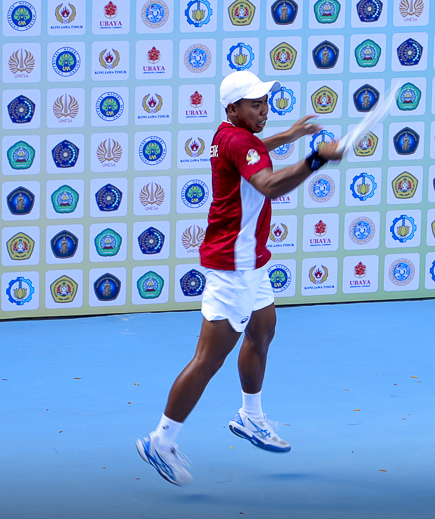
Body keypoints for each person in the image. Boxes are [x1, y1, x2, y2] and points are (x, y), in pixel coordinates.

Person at [137, 71, 343, 486]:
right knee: (208, 359)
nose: (264, 110)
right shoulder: (238, 141)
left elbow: (254, 149)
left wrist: (289, 135)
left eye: (265, 102)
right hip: (233, 266)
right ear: (233, 108)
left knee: (263, 328)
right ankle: (160, 440)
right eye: (255, 104)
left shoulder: (230, 135)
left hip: (252, 260)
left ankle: (250, 416)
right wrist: (315, 159)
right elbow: (268, 185)